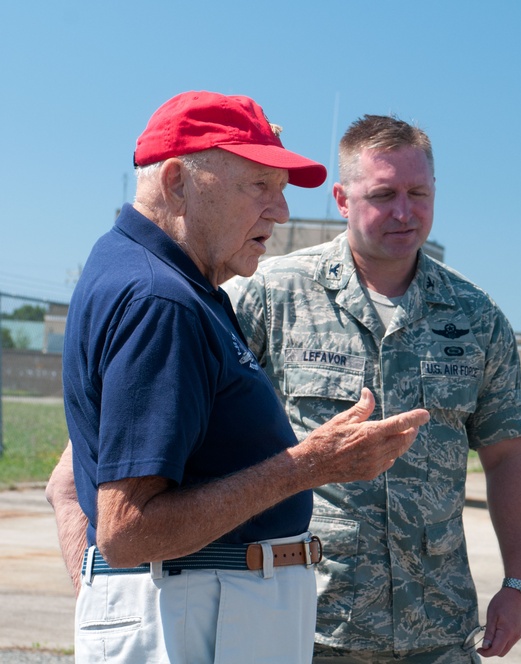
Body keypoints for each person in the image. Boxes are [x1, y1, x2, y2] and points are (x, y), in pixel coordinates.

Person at [45, 91, 430, 663]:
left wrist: (108, 599)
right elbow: (128, 531)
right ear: (177, 181)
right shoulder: (162, 301)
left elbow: (70, 484)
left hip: (196, 612)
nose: (281, 212)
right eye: (259, 186)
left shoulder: (161, 280)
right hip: (204, 618)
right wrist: (312, 465)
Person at [224, 114, 521, 663]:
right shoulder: (271, 296)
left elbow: (507, 452)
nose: (404, 211)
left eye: (418, 192)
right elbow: (213, 431)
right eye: (383, 194)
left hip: (436, 629)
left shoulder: (476, 317)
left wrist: (519, 584)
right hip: (306, 621)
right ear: (342, 200)